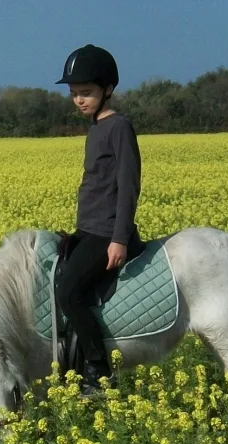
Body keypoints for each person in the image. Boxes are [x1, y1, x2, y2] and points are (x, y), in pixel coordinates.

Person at [54, 44, 145, 395]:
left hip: (107, 233)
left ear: (107, 89)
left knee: (69, 294)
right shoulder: (95, 127)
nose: (79, 100)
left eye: (86, 93)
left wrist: (119, 238)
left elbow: (128, 185)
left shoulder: (118, 127)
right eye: (74, 94)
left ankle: (99, 371)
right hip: (89, 230)